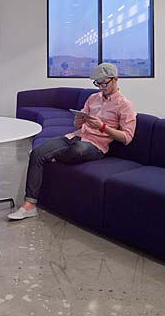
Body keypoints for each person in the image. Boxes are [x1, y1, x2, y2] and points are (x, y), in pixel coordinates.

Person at [8, 62, 136, 221]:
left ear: (115, 79)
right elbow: (77, 125)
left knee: (77, 150)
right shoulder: (93, 98)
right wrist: (79, 119)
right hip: (75, 136)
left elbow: (127, 138)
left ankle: (52, 156)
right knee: (37, 152)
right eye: (97, 83)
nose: (101, 87)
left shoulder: (124, 105)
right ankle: (29, 205)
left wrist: (102, 127)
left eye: (104, 83)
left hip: (95, 146)